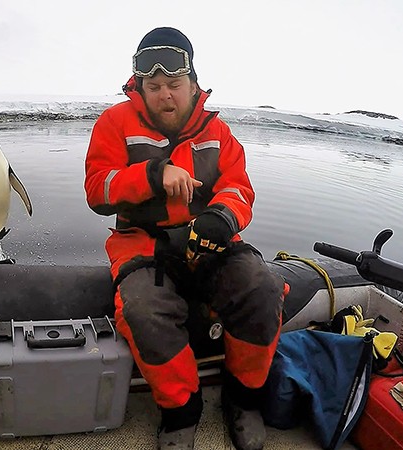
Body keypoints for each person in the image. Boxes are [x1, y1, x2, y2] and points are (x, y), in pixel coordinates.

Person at [84, 28, 285, 450]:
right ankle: (181, 411)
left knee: (262, 288)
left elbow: (239, 189)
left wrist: (221, 219)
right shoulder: (114, 123)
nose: (165, 95)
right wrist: (153, 175)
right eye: (153, 87)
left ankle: (244, 399)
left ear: (193, 84)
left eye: (174, 85)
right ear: (139, 87)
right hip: (143, 245)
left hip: (210, 243)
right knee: (142, 309)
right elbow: (98, 190)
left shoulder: (219, 133)